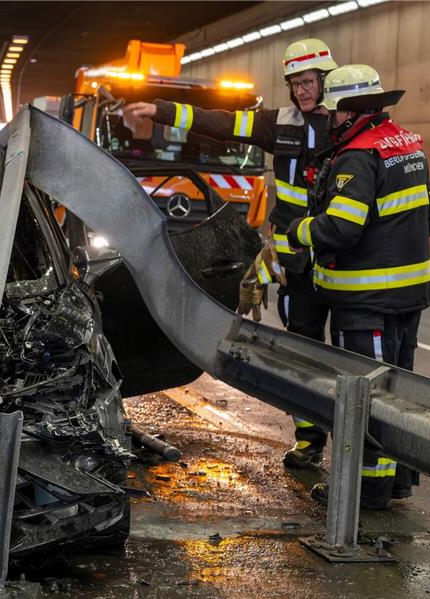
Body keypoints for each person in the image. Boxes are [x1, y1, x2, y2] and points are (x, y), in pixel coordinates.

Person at [124, 39, 338, 468]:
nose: (302, 91)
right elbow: (219, 123)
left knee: (352, 355)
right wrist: (161, 110)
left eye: (309, 81)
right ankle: (310, 439)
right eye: (295, 83)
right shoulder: (280, 123)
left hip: (339, 254)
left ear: (326, 80)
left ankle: (368, 450)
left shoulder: (345, 124)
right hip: (297, 257)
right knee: (302, 349)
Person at [286, 64, 430, 509]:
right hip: (409, 296)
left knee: (364, 398)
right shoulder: (408, 145)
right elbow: (428, 218)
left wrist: (300, 230)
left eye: (333, 113)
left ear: (349, 113)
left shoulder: (358, 156)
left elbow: (342, 228)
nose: (329, 120)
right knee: (399, 396)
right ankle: (397, 481)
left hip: (366, 300)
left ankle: (366, 492)